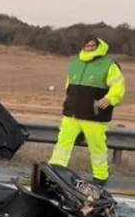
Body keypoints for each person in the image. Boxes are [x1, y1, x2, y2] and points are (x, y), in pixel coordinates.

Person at [49, 36, 126, 187]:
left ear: (99, 47)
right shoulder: (75, 63)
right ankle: (56, 170)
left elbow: (119, 86)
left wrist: (110, 98)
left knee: (97, 147)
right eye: (87, 46)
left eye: (92, 46)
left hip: (94, 116)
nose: (89, 48)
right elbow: (69, 85)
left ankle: (100, 177)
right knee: (63, 143)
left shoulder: (109, 65)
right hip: (72, 113)